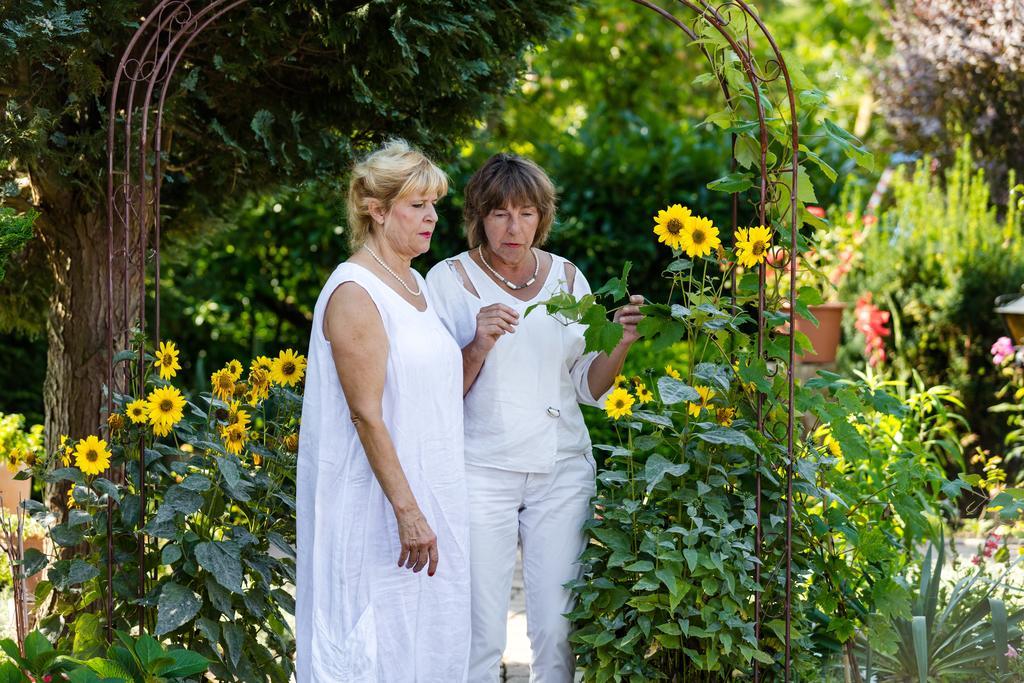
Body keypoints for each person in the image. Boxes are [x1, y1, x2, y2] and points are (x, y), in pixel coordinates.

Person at [426, 153, 643, 682]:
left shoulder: (568, 278)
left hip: (561, 471)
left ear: (542, 217)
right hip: (480, 471)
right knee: (480, 631)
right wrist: (477, 344)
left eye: (525, 213)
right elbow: (431, 398)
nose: (513, 226)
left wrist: (623, 343)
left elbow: (589, 384)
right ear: (478, 216)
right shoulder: (447, 281)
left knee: (557, 628)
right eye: (499, 213)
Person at [296, 139, 470, 681]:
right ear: (376, 209)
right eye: (417, 205)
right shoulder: (355, 291)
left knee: (429, 645)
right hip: (378, 511)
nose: (432, 217)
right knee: (375, 650)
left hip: (432, 496)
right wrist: (408, 512)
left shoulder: (415, 283)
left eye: (434, 204)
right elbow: (366, 414)